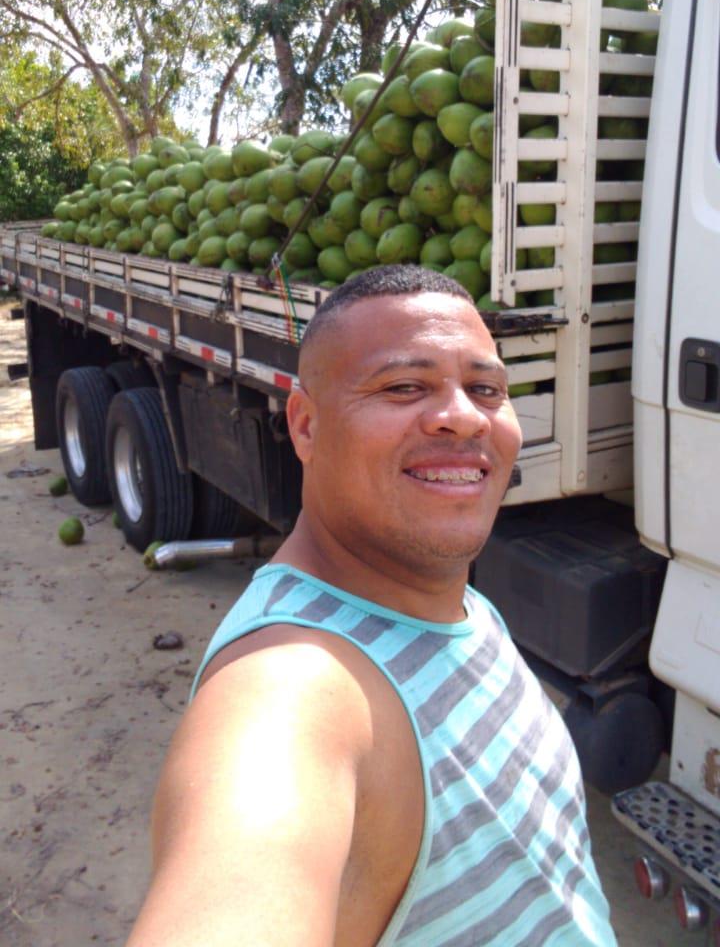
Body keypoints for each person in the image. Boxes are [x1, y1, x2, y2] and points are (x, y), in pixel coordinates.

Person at [127, 265, 617, 947]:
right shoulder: (290, 690)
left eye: (486, 388)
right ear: (304, 424)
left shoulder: (455, 603)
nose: (463, 416)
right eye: (404, 386)